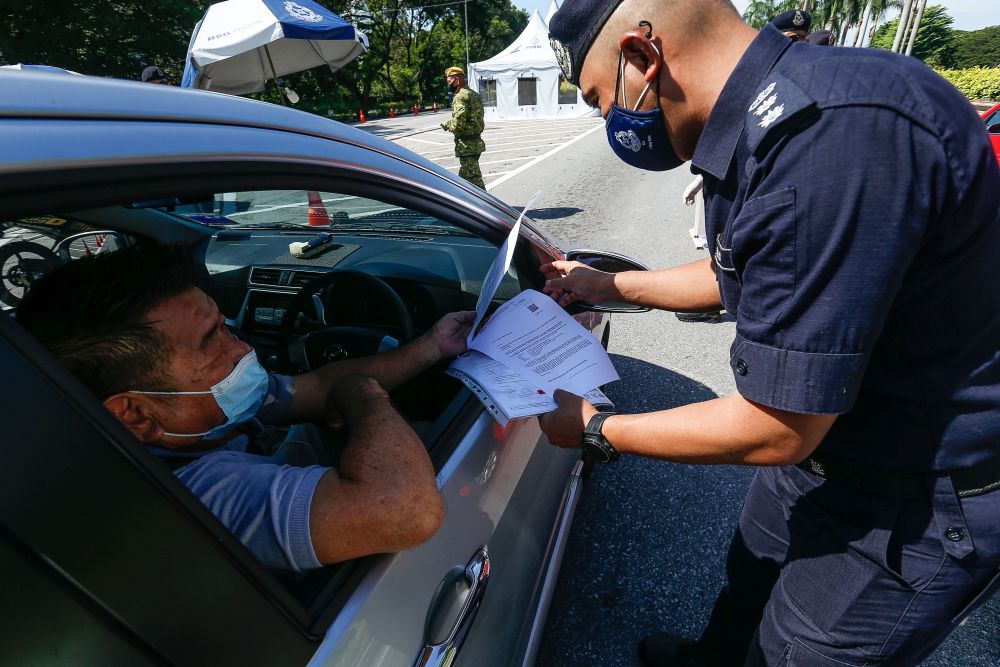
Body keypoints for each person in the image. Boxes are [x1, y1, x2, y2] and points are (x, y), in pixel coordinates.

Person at [543, 0, 1000, 664]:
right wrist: (607, 285)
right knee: (748, 584)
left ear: (643, 59)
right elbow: (740, 269)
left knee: (793, 648)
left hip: (910, 496)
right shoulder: (756, 120)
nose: (608, 121)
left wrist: (593, 428)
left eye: (601, 100)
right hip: (826, 448)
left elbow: (778, 425)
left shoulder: (830, 140)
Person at [16, 244, 475, 573]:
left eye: (225, 326)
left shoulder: (198, 412)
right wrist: (367, 395)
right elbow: (407, 511)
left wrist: (433, 345)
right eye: (210, 340)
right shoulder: (194, 496)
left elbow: (311, 386)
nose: (241, 347)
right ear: (134, 415)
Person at [440, 66, 487, 189]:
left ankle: (488, 205)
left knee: (474, 180)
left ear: (457, 80)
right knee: (464, 180)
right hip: (476, 142)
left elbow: (458, 124)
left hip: (466, 145)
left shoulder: (460, 97)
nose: (448, 85)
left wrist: (447, 125)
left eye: (449, 81)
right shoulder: (474, 95)